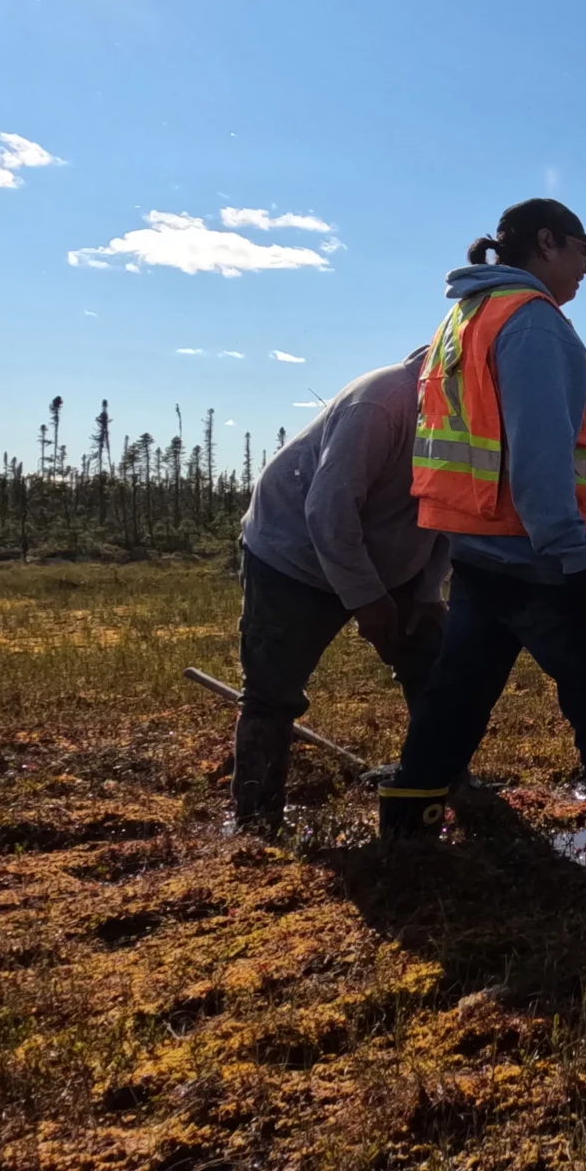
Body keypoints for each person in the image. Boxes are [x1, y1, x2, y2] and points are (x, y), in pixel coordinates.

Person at [377, 199, 586, 876]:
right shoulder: (533, 325)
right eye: (581, 252)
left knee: (452, 705)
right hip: (548, 562)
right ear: (546, 242)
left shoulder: (466, 318)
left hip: (482, 555)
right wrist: (572, 555)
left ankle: (403, 843)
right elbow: (541, 457)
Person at [229, 348, 450, 833]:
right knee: (272, 692)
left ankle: (440, 783)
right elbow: (327, 510)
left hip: (393, 558)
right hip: (293, 556)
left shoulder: (472, 413)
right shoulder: (382, 400)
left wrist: (429, 590)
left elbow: (450, 511)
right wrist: (368, 598)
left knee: (434, 668)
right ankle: (256, 823)